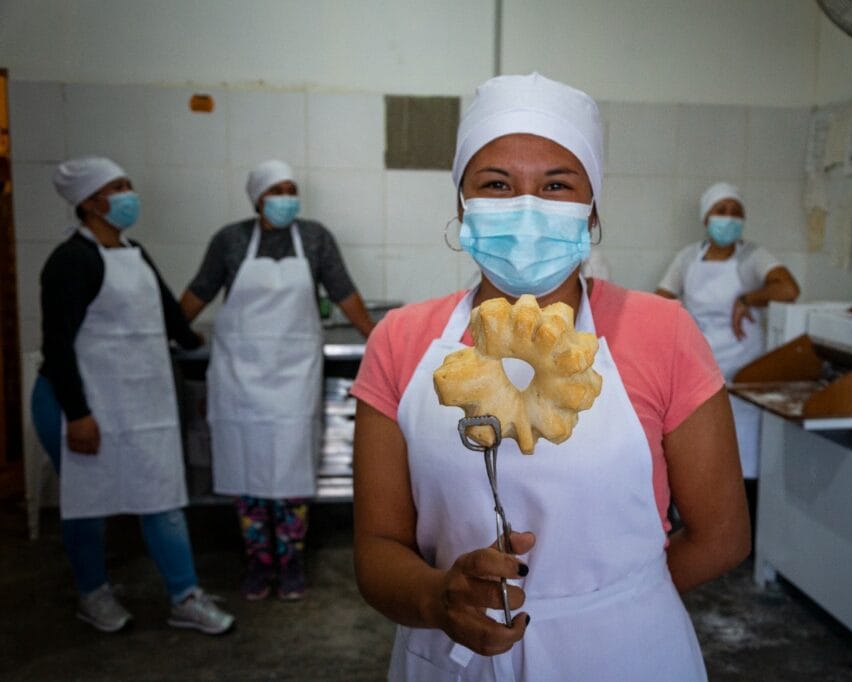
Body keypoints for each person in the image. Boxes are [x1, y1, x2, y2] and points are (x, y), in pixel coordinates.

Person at [351, 73, 750, 681]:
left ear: (592, 208)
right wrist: (439, 599)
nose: (527, 207)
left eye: (557, 184)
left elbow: (722, 534)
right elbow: (377, 547)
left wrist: (611, 601)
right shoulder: (402, 343)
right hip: (453, 657)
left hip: (625, 656)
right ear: (462, 204)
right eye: (497, 184)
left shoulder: (662, 334)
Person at [31, 156, 235, 635]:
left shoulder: (133, 251)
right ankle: (92, 593)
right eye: (117, 187)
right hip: (75, 403)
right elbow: (57, 345)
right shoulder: (69, 261)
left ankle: (185, 596)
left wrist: (197, 344)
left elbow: (168, 314)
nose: (128, 195)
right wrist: (78, 414)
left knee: (161, 496)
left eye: (127, 185)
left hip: (142, 407)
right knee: (88, 503)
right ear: (89, 202)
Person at [180, 160, 375, 601]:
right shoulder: (229, 241)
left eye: (292, 189)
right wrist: (172, 334)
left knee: (291, 476)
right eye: (277, 190)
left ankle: (289, 563)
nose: (287, 197)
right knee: (247, 479)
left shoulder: (314, 238)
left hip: (293, 378)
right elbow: (197, 294)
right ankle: (258, 564)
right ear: (258, 198)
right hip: (239, 379)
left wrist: (379, 342)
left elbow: (345, 293)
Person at [655, 182, 800, 525]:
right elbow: (661, 299)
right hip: (697, 365)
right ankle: (692, 525)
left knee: (745, 450)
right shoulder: (688, 257)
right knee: (692, 448)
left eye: (736, 213)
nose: (729, 219)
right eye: (722, 211)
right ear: (706, 217)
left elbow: (789, 289)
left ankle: (743, 532)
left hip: (742, 369)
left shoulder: (752, 257)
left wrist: (748, 299)